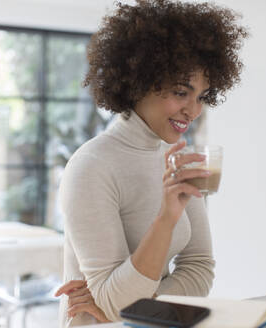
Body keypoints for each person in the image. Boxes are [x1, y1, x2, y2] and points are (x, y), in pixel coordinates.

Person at [55, 0, 248, 326]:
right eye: (180, 92)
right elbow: (115, 304)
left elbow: (200, 266)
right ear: (139, 80)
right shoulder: (90, 167)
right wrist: (167, 217)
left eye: (201, 96)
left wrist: (139, 307)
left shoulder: (174, 161)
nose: (194, 110)